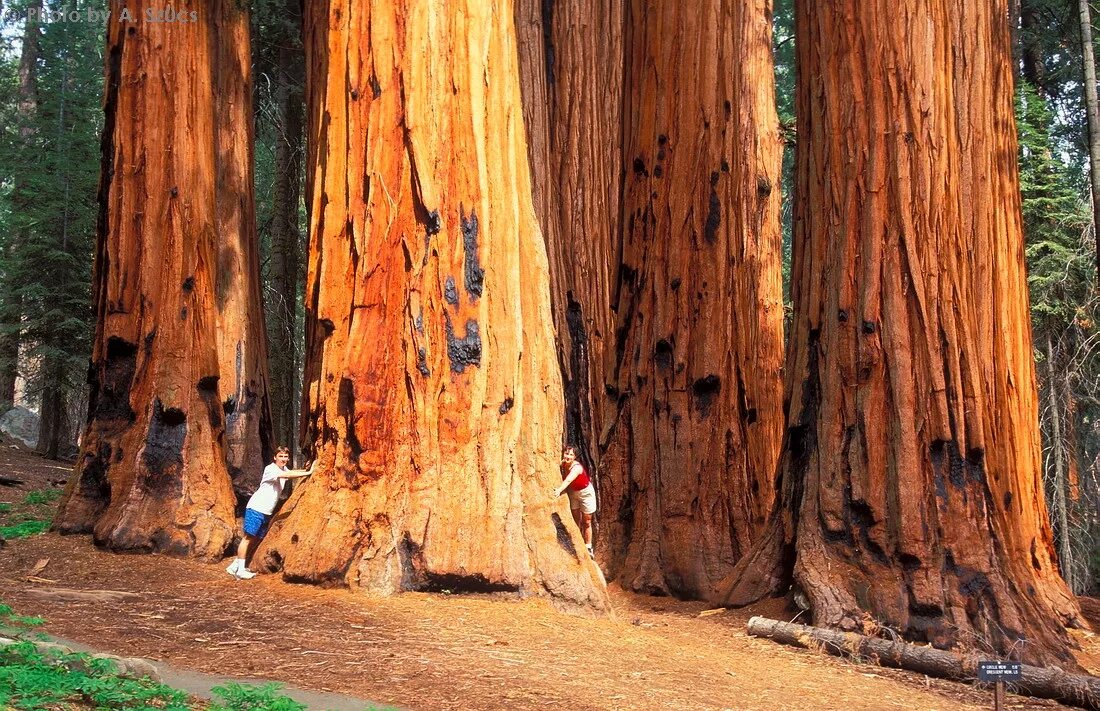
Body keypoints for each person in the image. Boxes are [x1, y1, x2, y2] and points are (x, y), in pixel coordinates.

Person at [226, 447, 314, 580]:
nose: (283, 459)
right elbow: (288, 475)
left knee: (256, 538)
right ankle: (240, 570)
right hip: (256, 508)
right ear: (275, 457)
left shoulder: (283, 469)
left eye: (285, 457)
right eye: (280, 456)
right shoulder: (271, 469)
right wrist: (309, 472)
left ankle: (236, 565)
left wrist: (308, 470)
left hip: (266, 511)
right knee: (247, 538)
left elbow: (291, 472)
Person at [553, 444, 596, 558]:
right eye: (566, 453)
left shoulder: (577, 468)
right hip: (573, 492)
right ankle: (577, 542)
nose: (568, 456)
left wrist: (558, 490)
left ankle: (588, 546)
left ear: (575, 457)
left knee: (587, 521)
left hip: (586, 493)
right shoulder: (564, 462)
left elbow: (568, 480)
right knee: (575, 520)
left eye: (571, 455)